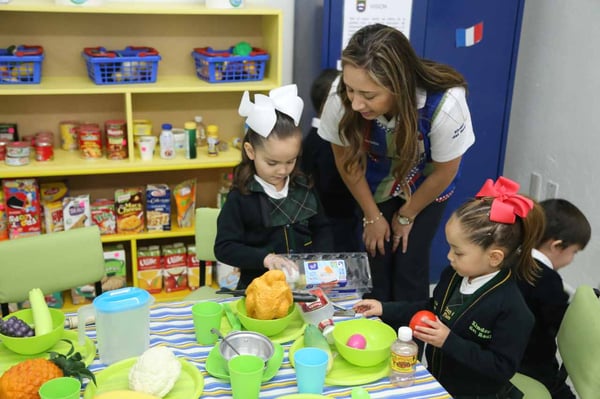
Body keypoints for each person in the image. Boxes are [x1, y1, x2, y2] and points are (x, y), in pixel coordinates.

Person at [318, 23, 475, 302]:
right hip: (376, 177)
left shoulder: (445, 105)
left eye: (368, 95)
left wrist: (406, 215)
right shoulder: (340, 95)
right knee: (375, 254)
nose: (355, 103)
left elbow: (444, 172)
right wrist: (372, 215)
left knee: (409, 259)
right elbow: (346, 161)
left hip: (427, 181)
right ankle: (373, 332)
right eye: (352, 90)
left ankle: (408, 339)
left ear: (399, 86)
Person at [353, 176, 545, 399]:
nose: (449, 256)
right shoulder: (454, 275)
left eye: (458, 252)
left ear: (494, 257)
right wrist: (383, 308)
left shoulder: (512, 310)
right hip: (440, 382)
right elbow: (432, 307)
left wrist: (448, 341)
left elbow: (500, 368)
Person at [214, 84, 333, 289]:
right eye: (272, 163)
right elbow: (225, 247)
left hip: (303, 286)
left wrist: (321, 261)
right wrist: (265, 258)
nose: (282, 170)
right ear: (251, 152)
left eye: (290, 161)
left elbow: (322, 229)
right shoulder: (241, 197)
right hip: (258, 287)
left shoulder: (303, 187)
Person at [517, 199, 591, 399]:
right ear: (557, 246)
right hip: (533, 363)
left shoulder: (513, 258)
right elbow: (561, 324)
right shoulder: (548, 281)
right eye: (573, 252)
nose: (572, 259)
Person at [301, 68, 361, 252]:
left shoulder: (310, 138)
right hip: (336, 221)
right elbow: (330, 184)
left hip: (326, 220)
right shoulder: (327, 143)